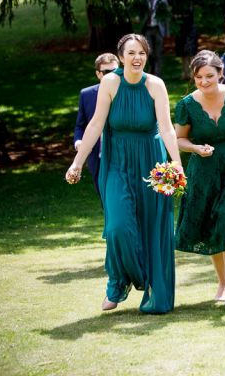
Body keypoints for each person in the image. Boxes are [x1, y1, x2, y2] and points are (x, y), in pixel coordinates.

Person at [65, 34, 182, 314]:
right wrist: (77, 163)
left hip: (152, 163)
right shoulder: (110, 82)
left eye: (142, 52)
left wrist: (176, 163)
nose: (137, 58)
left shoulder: (156, 85)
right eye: (131, 53)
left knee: (152, 226)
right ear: (120, 56)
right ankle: (121, 280)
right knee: (118, 227)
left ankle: (144, 283)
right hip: (117, 163)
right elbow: (94, 125)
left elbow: (166, 128)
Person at [174, 50, 225, 309]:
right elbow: (179, 139)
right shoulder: (186, 104)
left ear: (221, 74)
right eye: (199, 77)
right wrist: (197, 149)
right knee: (214, 225)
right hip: (205, 171)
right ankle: (221, 281)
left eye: (209, 76)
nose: (204, 81)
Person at [74, 53, 120, 201]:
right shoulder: (86, 94)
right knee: (104, 199)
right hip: (97, 156)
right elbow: (81, 125)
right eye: (107, 72)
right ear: (98, 74)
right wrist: (78, 141)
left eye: (116, 71)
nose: (113, 76)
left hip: (123, 154)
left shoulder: (127, 92)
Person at [143, 0, 171, 77]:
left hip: (158, 29)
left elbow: (166, 17)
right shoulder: (146, 0)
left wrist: (167, 32)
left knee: (158, 52)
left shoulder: (162, 0)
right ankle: (152, 68)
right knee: (149, 52)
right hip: (148, 28)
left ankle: (157, 74)